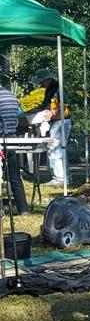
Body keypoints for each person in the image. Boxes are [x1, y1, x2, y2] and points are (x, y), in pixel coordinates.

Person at [30, 68, 72, 186]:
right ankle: (66, 177)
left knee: (55, 149)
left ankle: (59, 178)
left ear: (46, 79)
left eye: (41, 81)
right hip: (56, 122)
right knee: (59, 149)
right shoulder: (49, 90)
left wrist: (52, 113)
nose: (40, 84)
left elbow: (64, 103)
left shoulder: (58, 88)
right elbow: (47, 105)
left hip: (61, 121)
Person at [0, 71, 31, 215]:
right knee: (14, 175)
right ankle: (23, 208)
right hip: (11, 138)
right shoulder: (11, 96)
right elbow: (19, 118)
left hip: (1, 139)